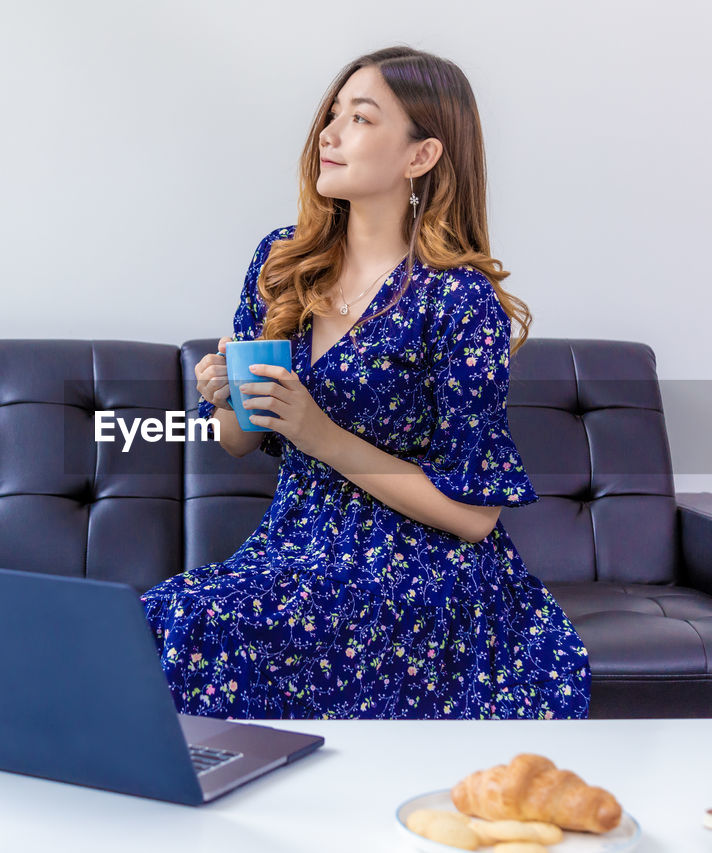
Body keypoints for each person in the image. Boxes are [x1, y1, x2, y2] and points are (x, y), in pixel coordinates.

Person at [139, 46, 591, 720]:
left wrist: (321, 435)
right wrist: (224, 398)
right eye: (332, 113)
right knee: (161, 617)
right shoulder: (281, 259)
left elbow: (474, 518)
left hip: (421, 565)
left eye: (361, 117)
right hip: (295, 543)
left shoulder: (456, 299)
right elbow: (239, 441)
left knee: (220, 627)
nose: (329, 132)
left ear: (421, 156)